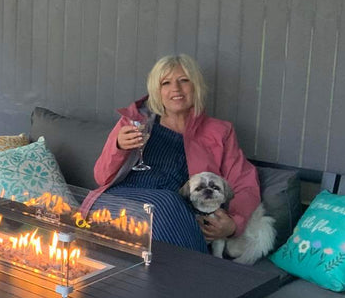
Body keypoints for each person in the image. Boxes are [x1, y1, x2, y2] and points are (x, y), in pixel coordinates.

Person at [83, 54, 261, 253]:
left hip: (174, 214)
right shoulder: (134, 122)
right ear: (156, 91)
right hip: (119, 201)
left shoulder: (220, 132)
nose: (175, 89)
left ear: (196, 86)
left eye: (184, 80)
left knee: (169, 207)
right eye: (165, 83)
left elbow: (245, 183)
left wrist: (233, 224)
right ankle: (203, 276)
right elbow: (101, 177)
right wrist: (118, 147)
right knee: (166, 203)